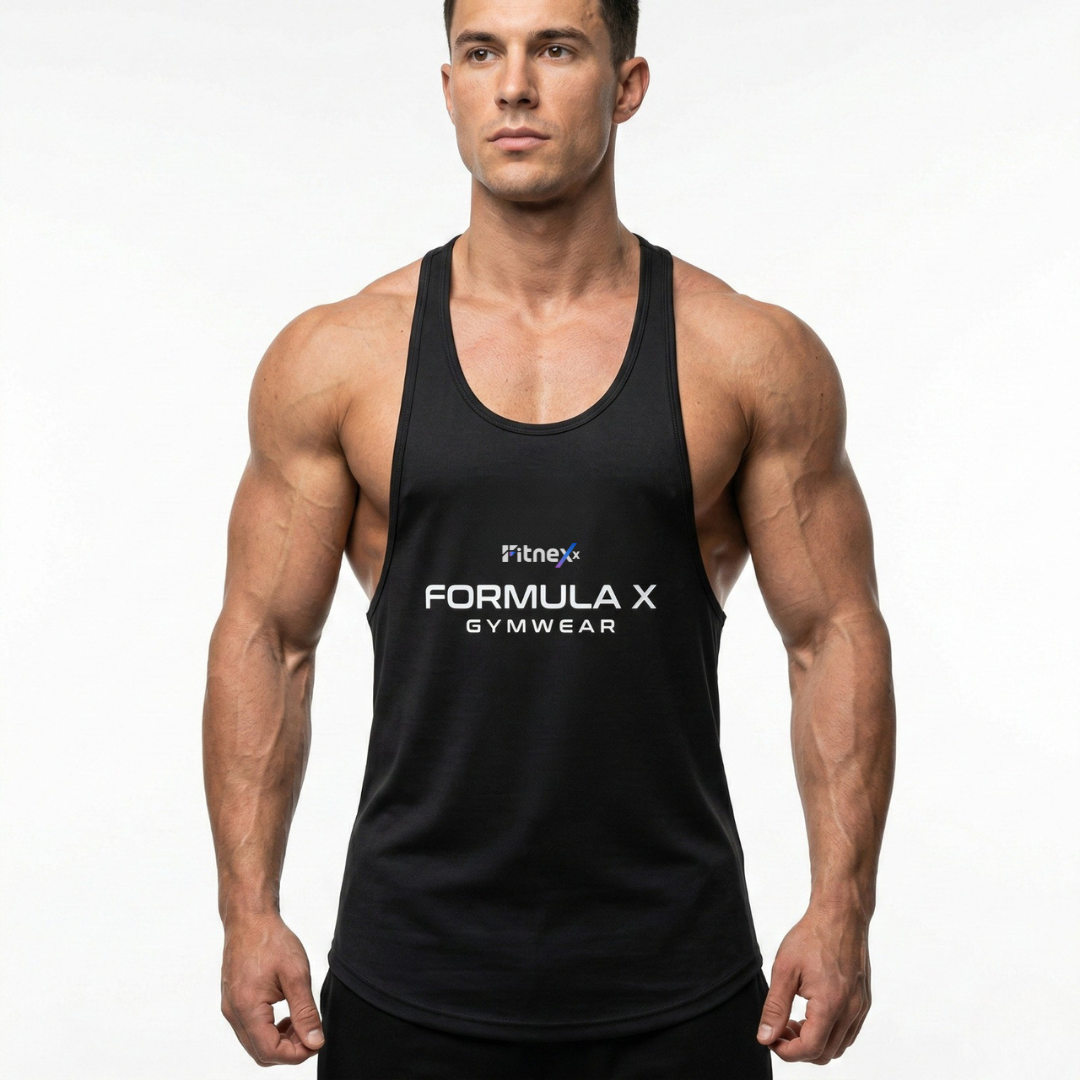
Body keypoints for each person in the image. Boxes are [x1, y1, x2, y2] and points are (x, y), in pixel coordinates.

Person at [202, 0, 896, 1076]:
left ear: (627, 86)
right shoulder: (341, 357)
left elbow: (832, 633)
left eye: (557, 49)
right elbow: (268, 639)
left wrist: (841, 908)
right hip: (410, 982)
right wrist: (248, 912)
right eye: (482, 52)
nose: (514, 85)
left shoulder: (746, 354)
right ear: (450, 89)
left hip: (677, 987)